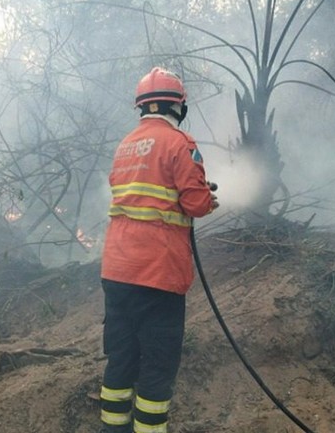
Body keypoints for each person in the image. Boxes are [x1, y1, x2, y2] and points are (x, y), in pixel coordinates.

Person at [99, 67, 219, 433]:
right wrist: (207, 199)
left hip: (117, 271)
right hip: (158, 274)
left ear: (141, 107)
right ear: (179, 106)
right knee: (157, 365)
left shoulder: (125, 146)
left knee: (121, 359)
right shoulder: (180, 143)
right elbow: (195, 204)